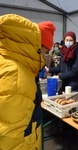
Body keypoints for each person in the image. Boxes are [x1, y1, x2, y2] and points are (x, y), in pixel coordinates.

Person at [0, 14, 55, 149]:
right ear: (38, 47)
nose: (45, 56)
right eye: (46, 51)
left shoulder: (11, 62)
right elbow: (10, 137)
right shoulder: (17, 75)